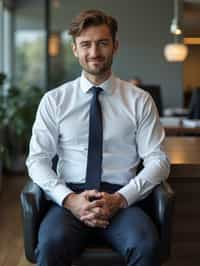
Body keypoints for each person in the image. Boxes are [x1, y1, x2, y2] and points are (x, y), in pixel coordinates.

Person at [26, 9, 170, 266]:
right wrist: (69, 200)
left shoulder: (139, 100)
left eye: (102, 43)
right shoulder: (54, 101)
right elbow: (37, 160)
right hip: (69, 197)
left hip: (123, 199)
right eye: (86, 44)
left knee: (146, 246)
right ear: (74, 49)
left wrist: (120, 198)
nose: (94, 52)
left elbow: (158, 161)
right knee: (49, 246)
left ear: (115, 46)